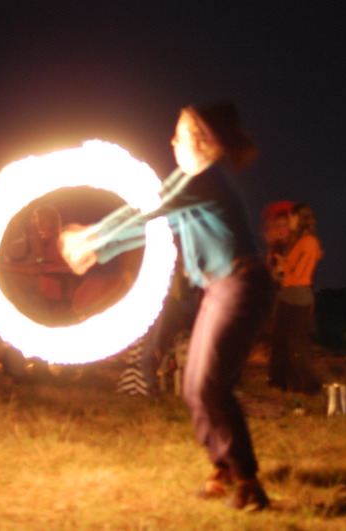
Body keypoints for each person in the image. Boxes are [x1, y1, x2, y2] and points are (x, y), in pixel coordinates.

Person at [59, 101, 273, 510]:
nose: (172, 141)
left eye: (179, 134)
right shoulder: (186, 182)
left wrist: (93, 238)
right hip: (217, 289)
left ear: (201, 142)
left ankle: (249, 482)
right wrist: (98, 247)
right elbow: (151, 224)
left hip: (242, 285)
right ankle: (223, 467)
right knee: (193, 385)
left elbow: (148, 210)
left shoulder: (205, 180)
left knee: (210, 383)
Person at [268, 203, 323, 394]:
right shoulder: (297, 241)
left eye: (291, 217)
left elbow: (300, 275)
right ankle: (281, 383)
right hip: (287, 295)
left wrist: (284, 267)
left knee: (298, 344)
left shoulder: (309, 242)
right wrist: (280, 271)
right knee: (281, 342)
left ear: (300, 219)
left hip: (298, 297)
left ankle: (308, 386)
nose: (289, 222)